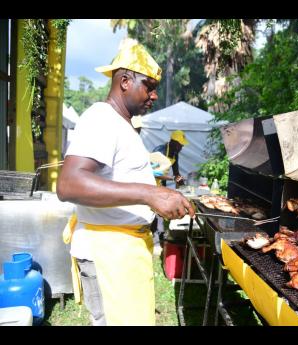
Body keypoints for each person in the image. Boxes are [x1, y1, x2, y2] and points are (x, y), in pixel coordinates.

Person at [57, 41, 195, 326]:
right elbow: (69, 184)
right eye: (149, 86)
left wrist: (157, 195)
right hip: (109, 254)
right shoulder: (101, 118)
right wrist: (148, 194)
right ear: (124, 81)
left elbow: (119, 180)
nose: (154, 95)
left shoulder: (123, 125)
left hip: (123, 252)